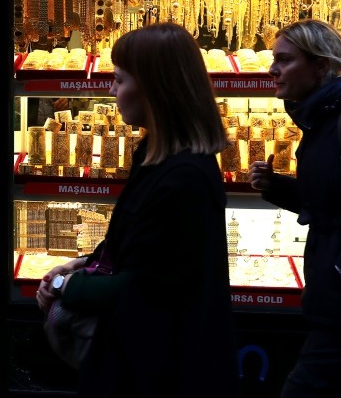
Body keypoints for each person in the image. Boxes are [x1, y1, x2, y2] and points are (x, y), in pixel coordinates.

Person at [36, 22, 237, 396]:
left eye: (120, 80)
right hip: (140, 353)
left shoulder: (184, 177)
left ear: (156, 88)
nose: (112, 90)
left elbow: (148, 286)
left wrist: (67, 286)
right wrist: (80, 264)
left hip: (160, 367)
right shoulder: (153, 154)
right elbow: (132, 241)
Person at [248, 19, 341, 397]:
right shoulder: (324, 119)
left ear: (319, 66)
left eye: (285, 60)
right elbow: (339, 201)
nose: (273, 70)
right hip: (339, 301)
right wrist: (279, 188)